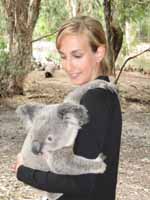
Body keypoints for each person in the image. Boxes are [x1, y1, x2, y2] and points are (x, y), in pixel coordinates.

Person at [13, 16, 122, 200]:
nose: (68, 66)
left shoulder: (97, 99)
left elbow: (82, 183)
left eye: (77, 55)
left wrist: (23, 172)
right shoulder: (94, 94)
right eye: (63, 56)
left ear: (99, 53)